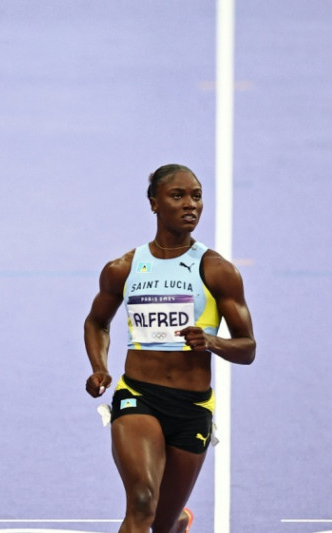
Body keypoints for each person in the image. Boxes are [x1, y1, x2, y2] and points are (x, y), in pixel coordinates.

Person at [83, 164, 256, 533]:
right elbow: (97, 322)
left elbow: (247, 348)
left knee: (161, 523)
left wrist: (212, 341)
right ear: (154, 204)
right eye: (178, 196)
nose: (190, 204)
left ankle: (177, 522)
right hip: (138, 396)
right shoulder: (124, 268)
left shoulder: (217, 270)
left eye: (196, 196)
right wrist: (99, 366)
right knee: (141, 502)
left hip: (191, 408)